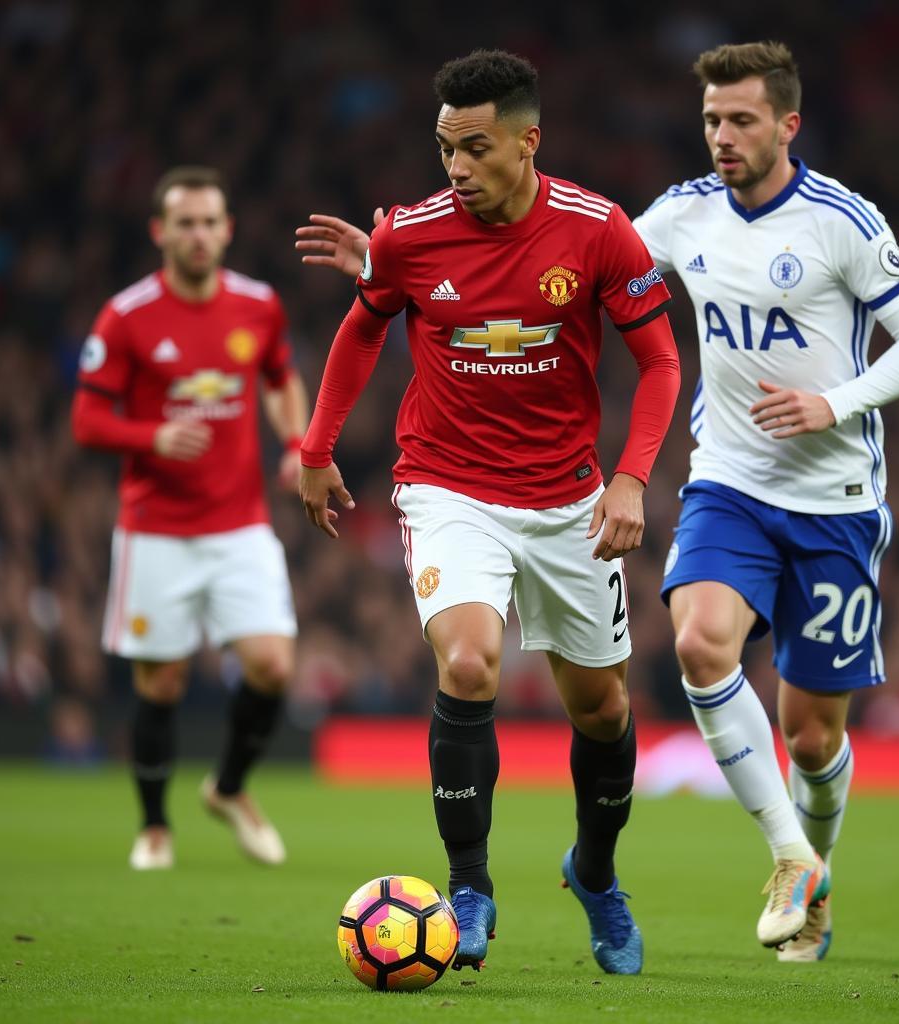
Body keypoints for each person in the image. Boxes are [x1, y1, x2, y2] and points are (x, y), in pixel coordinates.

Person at [297, 50, 680, 974]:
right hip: (449, 485)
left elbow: (661, 363)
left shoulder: (599, 232)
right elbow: (361, 327)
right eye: (443, 148)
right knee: (469, 665)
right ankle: (467, 886)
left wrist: (630, 477)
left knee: (600, 709)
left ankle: (593, 871)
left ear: (527, 139)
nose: (456, 168)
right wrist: (315, 449)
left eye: (474, 147)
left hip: (569, 499)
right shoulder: (411, 237)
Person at [633, 41, 899, 960]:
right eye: (710, 122)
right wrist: (413, 255)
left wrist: (833, 403)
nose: (722, 137)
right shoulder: (685, 214)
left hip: (836, 501)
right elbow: (585, 258)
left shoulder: (839, 221)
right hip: (728, 481)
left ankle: (816, 870)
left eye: (740, 120)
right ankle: (788, 855)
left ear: (786, 124)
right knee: (697, 641)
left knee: (811, 739)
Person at [72, 166, 308, 871]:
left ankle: (229, 789)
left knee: (271, 665)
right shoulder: (127, 315)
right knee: (162, 683)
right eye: (186, 223)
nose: (199, 235)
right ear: (160, 232)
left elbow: (279, 379)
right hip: (156, 530)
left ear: (228, 229)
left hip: (239, 524)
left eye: (210, 222)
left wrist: (297, 444)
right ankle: (153, 828)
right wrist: (152, 437)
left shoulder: (259, 306)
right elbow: (86, 418)